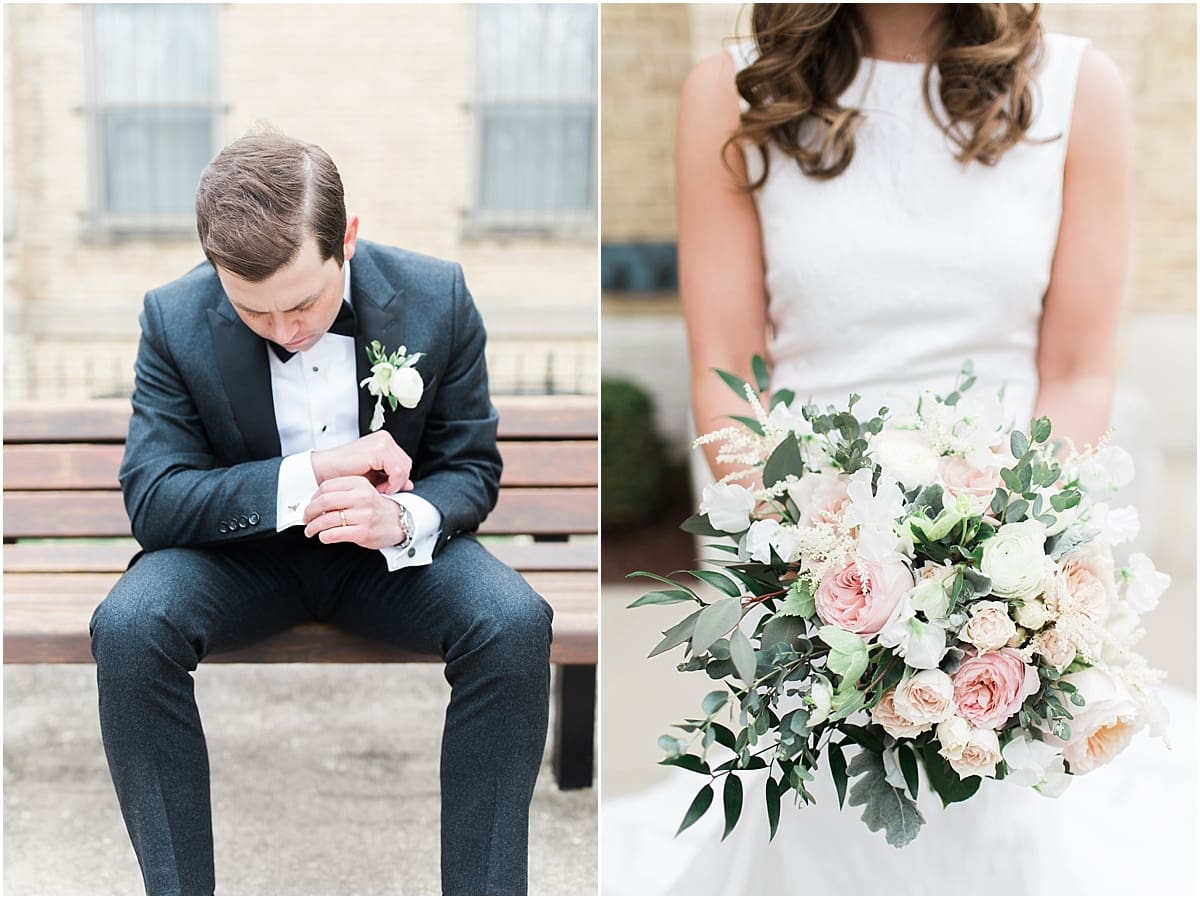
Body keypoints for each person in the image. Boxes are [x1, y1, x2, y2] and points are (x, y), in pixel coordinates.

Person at [602, 3, 1195, 894]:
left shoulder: (1080, 88)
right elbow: (727, 371)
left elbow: (1075, 369)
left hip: (1005, 545)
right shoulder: (730, 93)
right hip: (814, 547)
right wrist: (808, 566)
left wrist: (1020, 563)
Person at [89, 129, 554, 897]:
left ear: (348, 239)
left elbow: (471, 468)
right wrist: (305, 476)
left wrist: (403, 518)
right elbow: (155, 496)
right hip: (236, 562)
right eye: (254, 311)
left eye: (303, 302)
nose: (285, 329)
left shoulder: (438, 296)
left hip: (388, 562)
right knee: (130, 626)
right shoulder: (172, 317)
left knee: (512, 622)